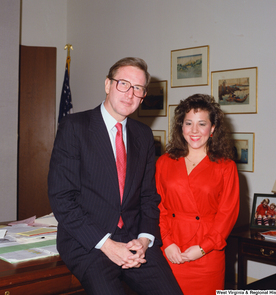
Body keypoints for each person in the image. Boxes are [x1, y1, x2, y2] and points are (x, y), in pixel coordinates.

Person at [48, 57, 183, 295]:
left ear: (143, 95)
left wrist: (144, 239)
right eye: (123, 83)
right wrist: (107, 245)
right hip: (88, 241)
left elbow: (148, 197)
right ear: (108, 85)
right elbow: (62, 198)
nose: (130, 93)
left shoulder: (143, 135)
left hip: (134, 239)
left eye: (138, 88)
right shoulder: (75, 127)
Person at [155, 94, 240, 294]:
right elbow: (158, 206)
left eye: (201, 124)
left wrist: (203, 248)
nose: (194, 131)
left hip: (207, 254)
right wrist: (167, 243)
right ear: (181, 127)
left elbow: (227, 215)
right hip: (170, 250)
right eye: (188, 123)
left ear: (212, 129)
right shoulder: (164, 162)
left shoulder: (226, 167)